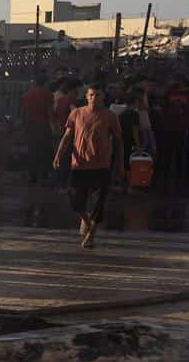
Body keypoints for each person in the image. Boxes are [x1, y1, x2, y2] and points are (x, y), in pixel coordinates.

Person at [54, 84, 122, 249]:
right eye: (91, 95)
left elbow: (119, 142)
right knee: (75, 200)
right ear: (86, 96)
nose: (94, 98)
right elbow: (67, 136)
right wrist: (58, 155)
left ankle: (91, 235)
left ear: (103, 97)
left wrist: (120, 163)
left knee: (99, 202)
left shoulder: (110, 116)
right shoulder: (76, 113)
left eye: (98, 95)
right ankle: (86, 220)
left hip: (101, 165)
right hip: (79, 165)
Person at [18, 73, 53, 185]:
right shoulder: (48, 94)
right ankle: (44, 173)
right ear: (45, 83)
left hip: (30, 125)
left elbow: (23, 112)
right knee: (44, 150)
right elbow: (50, 112)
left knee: (32, 149)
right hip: (43, 124)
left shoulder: (27, 95)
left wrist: (23, 125)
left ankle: (32, 175)